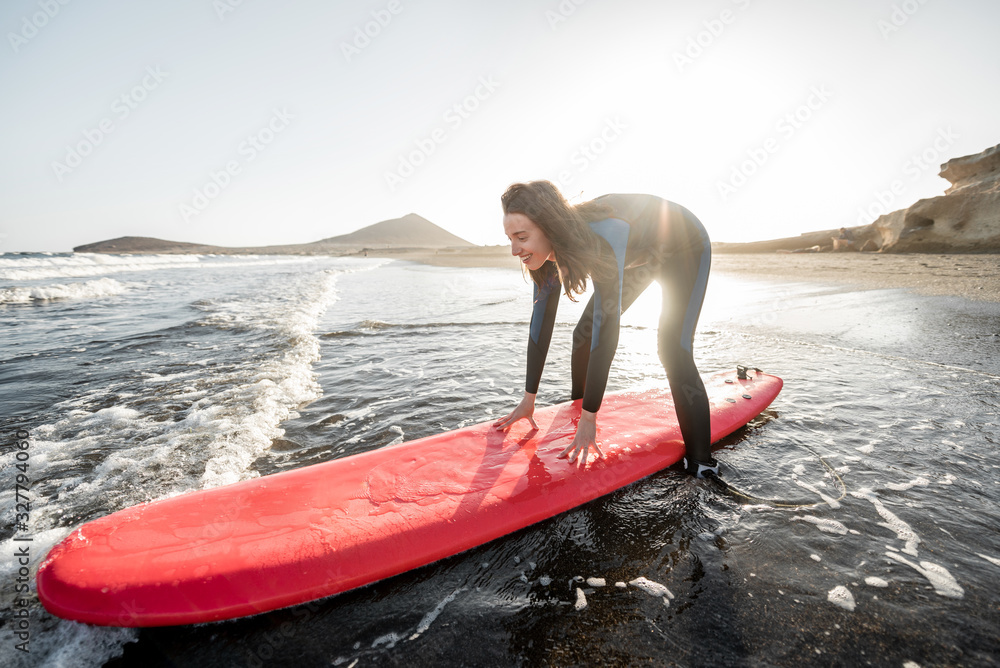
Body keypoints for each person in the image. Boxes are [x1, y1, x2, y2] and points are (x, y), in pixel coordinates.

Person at [492, 181, 718, 478]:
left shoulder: (603, 235)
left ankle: (702, 463)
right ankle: (576, 418)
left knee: (673, 349)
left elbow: (606, 325)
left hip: (684, 247)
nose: (514, 250)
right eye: (510, 238)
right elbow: (541, 322)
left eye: (521, 237)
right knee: (581, 337)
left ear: (549, 227)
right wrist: (528, 400)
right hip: (642, 255)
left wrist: (592, 418)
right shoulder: (543, 255)